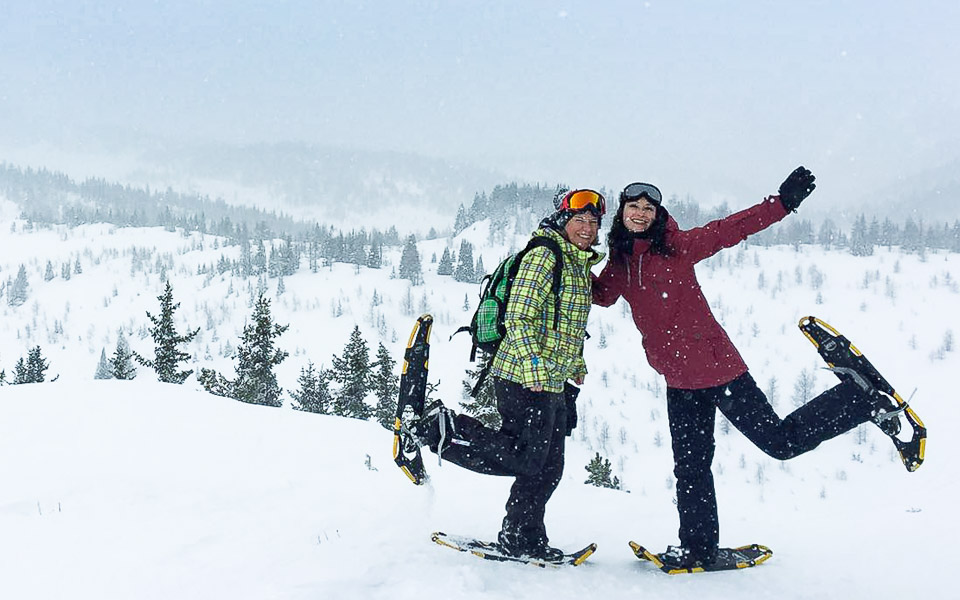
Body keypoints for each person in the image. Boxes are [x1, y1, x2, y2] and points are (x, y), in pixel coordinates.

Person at [592, 167, 896, 569]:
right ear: (622, 213)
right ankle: (699, 548)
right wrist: (564, 256)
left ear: (658, 216)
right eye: (635, 206)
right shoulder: (621, 263)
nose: (642, 213)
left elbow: (729, 228)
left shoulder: (679, 246)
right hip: (679, 381)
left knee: (780, 443)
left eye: (649, 208)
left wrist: (782, 204)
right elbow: (601, 295)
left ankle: (859, 400)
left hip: (719, 371)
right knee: (690, 467)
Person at [411, 189, 606, 560]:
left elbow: (566, 324)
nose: (586, 228)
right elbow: (519, 316)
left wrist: (575, 366)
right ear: (563, 221)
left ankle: (522, 537)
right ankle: (441, 429)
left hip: (555, 380)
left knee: (549, 467)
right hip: (522, 375)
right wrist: (534, 367)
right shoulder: (544, 256)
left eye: (593, 222)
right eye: (579, 220)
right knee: (526, 458)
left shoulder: (578, 263)